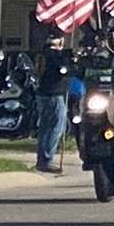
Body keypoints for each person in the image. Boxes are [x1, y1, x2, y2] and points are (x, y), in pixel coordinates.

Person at [32, 29, 76, 174]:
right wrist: (70, 62)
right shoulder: (55, 55)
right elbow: (63, 70)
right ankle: (47, 159)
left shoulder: (42, 53)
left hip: (42, 93)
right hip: (54, 94)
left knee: (45, 127)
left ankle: (41, 159)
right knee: (57, 126)